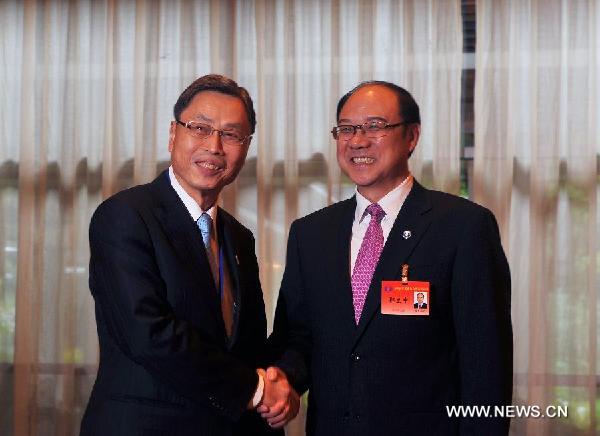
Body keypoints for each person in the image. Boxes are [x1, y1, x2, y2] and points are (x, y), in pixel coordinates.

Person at [266, 81, 513, 435]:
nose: (358, 140)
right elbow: (299, 340)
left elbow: (486, 367)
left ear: (411, 137)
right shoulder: (310, 234)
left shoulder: (463, 228)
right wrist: (280, 378)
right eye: (347, 129)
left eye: (375, 126)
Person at [81, 74, 298, 436]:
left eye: (231, 135)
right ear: (172, 134)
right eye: (200, 128)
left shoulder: (238, 237)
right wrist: (257, 390)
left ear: (245, 148)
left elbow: (246, 347)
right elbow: (148, 333)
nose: (214, 146)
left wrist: (277, 387)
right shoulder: (126, 215)